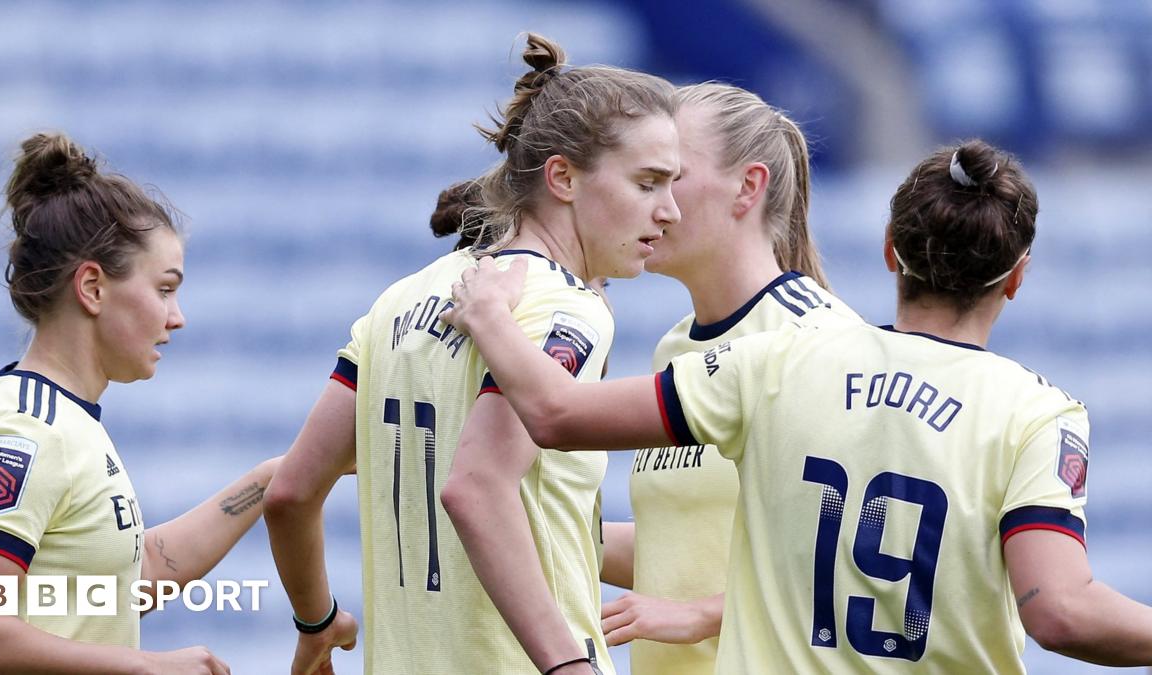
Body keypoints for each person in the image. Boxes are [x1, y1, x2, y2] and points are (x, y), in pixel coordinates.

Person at [442, 139, 1152, 673]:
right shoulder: (1035, 415)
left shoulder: (779, 360)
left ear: (888, 251)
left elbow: (558, 414)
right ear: (1018, 277)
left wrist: (492, 316)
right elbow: (1059, 612)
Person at [263, 33, 679, 675]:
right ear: (563, 177)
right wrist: (569, 666)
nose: (670, 210)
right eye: (648, 183)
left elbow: (290, 492)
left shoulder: (399, 300)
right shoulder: (567, 307)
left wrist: (317, 623)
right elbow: (477, 489)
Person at [0, 132, 280, 674]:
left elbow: (123, 579)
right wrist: (142, 665)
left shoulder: (61, 417)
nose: (177, 317)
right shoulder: (26, 429)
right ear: (94, 289)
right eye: (165, 289)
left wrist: (273, 480)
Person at [595, 82, 858, 675]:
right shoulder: (676, 346)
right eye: (645, 177)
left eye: (672, 175)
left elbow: (856, 565)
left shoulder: (818, 341)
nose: (652, 200)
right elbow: (681, 547)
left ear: (749, 187)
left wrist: (701, 616)